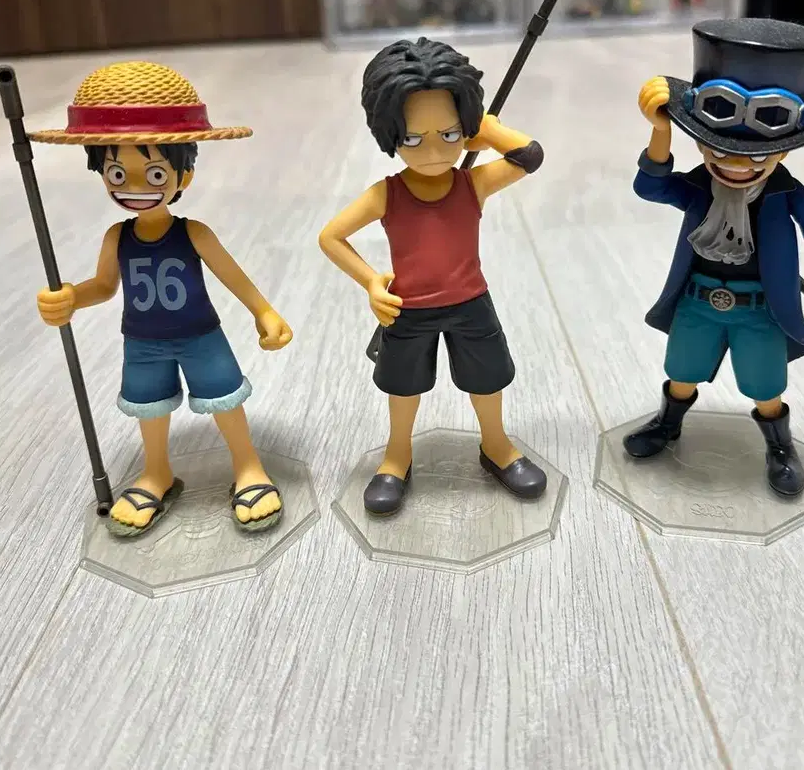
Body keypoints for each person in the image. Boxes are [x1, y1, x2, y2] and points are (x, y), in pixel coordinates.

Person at [33, 61, 292, 536]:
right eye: (117, 172)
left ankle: (248, 465)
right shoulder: (117, 236)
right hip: (142, 342)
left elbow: (232, 276)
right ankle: (156, 472)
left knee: (224, 398)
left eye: (154, 174)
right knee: (149, 408)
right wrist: (70, 297)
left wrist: (264, 311)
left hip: (201, 336)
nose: (133, 187)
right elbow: (104, 286)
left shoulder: (194, 233)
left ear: (183, 176)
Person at [625, 19, 804, 497]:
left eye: (758, 155)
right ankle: (668, 423)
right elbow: (650, 187)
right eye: (720, 150)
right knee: (682, 372)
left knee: (766, 387)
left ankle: (779, 445)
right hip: (698, 302)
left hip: (759, 311)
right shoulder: (700, 185)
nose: (737, 165)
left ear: (785, 150)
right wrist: (660, 131)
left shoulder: (787, 194)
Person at [319, 37, 546, 515]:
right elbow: (331, 237)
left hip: (470, 303)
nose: (432, 151)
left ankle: (497, 445)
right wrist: (371, 282)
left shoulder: (472, 183)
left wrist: (486, 130)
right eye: (412, 138)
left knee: (487, 380)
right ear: (390, 135)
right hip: (409, 309)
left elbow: (529, 156)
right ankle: (397, 456)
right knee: (403, 389)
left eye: (448, 134)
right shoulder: (387, 193)